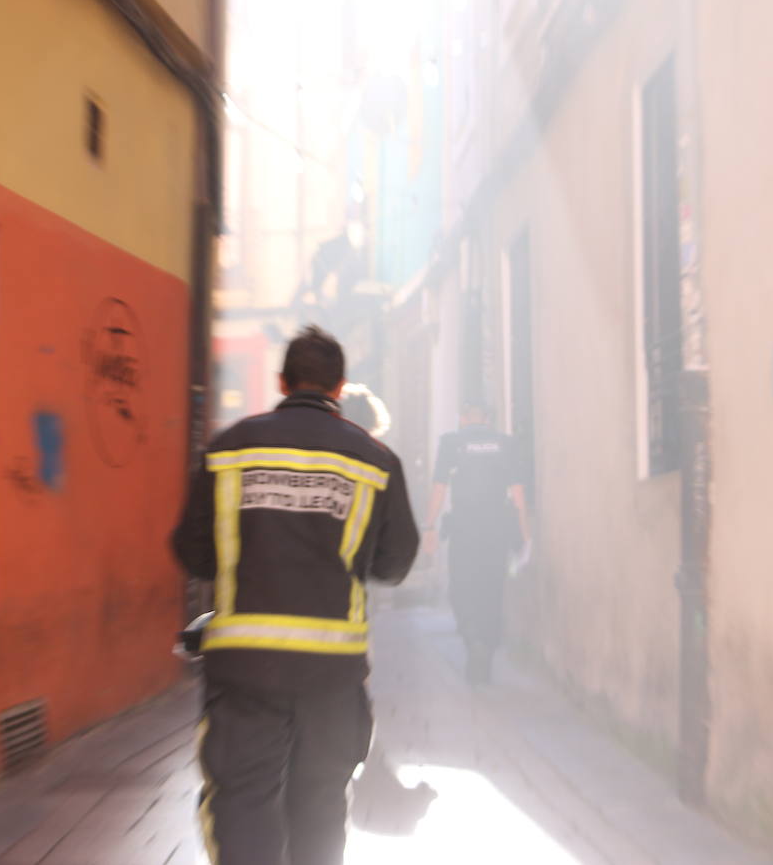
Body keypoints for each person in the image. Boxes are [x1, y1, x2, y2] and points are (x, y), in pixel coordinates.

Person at [171, 325, 419, 865]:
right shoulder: (376, 462)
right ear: (340, 386)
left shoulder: (229, 449)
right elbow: (396, 564)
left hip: (245, 671)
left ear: (283, 381)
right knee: (321, 805)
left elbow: (192, 552)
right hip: (333, 674)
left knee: (242, 803)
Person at [421, 403, 530, 685]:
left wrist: (430, 525)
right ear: (487, 417)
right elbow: (517, 492)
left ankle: (472, 639)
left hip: (464, 528)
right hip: (497, 528)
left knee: (462, 585)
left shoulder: (452, 443)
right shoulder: (505, 443)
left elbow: (439, 487)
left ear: (463, 417)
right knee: (492, 586)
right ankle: (487, 645)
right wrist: (524, 533)